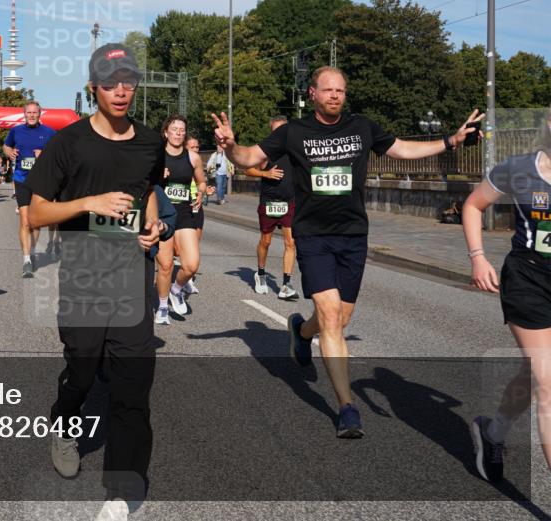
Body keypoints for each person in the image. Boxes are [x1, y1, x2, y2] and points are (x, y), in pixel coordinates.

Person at [212, 66, 483, 438]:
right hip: (313, 236)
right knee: (329, 311)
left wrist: (450, 141)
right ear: (313, 93)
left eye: (341, 90)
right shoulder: (294, 132)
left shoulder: (362, 126)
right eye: (328, 90)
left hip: (353, 235)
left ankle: (302, 333)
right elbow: (247, 158)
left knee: (337, 321)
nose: (336, 95)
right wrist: (229, 145)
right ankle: (347, 407)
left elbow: (402, 149)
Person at [27, 43, 164, 520]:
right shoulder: (69, 143)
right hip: (84, 275)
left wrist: (154, 226)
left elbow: (148, 195)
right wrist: (89, 203)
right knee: (82, 371)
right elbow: (37, 211)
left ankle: (121, 491)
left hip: (132, 279)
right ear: (93, 89)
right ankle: (65, 423)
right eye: (110, 83)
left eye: (128, 81)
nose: (121, 90)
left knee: (132, 389)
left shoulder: (149, 142)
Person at [462, 108, 551, 483]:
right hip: (528, 279)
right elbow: (473, 205)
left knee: (534, 375)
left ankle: (493, 431)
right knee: (548, 386)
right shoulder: (519, 168)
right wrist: (478, 258)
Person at [153, 116, 207, 324]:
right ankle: (163, 306)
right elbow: (142, 182)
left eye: (181, 130)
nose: (178, 132)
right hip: (162, 214)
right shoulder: (156, 156)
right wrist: (158, 176)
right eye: (174, 129)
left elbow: (201, 182)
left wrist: (201, 192)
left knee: (191, 265)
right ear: (166, 132)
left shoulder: (192, 157)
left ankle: (176, 290)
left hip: (184, 214)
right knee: (166, 265)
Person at [242, 115, 300, 300]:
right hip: (269, 202)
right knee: (266, 241)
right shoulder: (267, 152)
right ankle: (260, 273)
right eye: (276, 130)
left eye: (282, 130)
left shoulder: (295, 150)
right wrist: (265, 173)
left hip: (289, 202)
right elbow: (247, 169)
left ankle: (286, 284)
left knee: (291, 242)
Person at [4, 101, 57, 277]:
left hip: (41, 182)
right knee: (25, 221)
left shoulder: (49, 133)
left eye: (35, 112)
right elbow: (6, 145)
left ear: (40, 114)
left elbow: (59, 155)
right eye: (29, 112)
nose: (32, 115)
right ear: (24, 114)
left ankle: (32, 251)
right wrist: (9, 152)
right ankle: (27, 259)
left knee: (36, 222)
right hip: (22, 180)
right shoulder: (16, 131)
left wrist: (45, 155)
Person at [183, 135, 213, 296]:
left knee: (194, 244)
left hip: (197, 206)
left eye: (197, 147)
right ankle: (184, 274)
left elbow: (201, 183)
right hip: (183, 206)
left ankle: (189, 279)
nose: (196, 150)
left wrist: (206, 191)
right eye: (192, 147)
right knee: (182, 246)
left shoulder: (197, 164)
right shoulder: (179, 164)